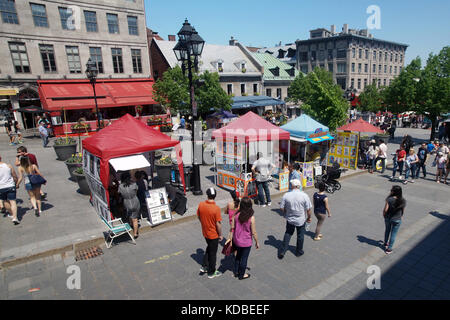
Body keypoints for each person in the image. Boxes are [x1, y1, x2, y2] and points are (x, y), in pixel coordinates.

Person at [278, 179, 312, 259]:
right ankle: (298, 251)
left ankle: (283, 250)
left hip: (290, 219)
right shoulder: (304, 196)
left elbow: (281, 208)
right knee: (300, 235)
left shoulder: (286, 195)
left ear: (293, 186)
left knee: (288, 233)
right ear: (299, 186)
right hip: (300, 219)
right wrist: (309, 218)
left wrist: (286, 213)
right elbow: (308, 210)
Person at [227, 197, 260, 280]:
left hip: (237, 240)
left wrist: (230, 238)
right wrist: (257, 242)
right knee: (244, 258)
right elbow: (254, 232)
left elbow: (232, 228)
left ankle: (236, 272)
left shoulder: (236, 215)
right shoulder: (251, 218)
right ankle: (241, 275)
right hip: (246, 242)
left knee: (238, 256)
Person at [197, 187, 222, 279]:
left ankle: (204, 265)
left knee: (209, 248)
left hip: (205, 232)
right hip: (213, 234)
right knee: (213, 254)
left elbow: (199, 216)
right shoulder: (216, 209)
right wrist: (220, 235)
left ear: (207, 195)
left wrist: (204, 224)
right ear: (215, 196)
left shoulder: (201, 205)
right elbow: (218, 224)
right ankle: (211, 272)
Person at [383, 185, 406, 254]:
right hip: (397, 219)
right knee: (393, 234)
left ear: (393, 192)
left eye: (391, 190)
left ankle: (385, 243)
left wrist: (384, 215)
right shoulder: (403, 200)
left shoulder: (389, 199)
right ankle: (389, 249)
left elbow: (385, 210)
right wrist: (401, 216)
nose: (390, 190)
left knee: (387, 230)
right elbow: (403, 211)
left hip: (388, 218)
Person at [118, 171, 140, 238]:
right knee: (135, 219)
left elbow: (119, 193)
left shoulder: (120, 186)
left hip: (127, 202)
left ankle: (131, 224)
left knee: (130, 214)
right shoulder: (134, 184)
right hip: (135, 201)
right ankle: (135, 233)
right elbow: (136, 191)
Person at [0, 155, 19, 224]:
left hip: (1, 187)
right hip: (10, 185)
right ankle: (15, 217)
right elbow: (14, 176)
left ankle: (11, 214)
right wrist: (16, 183)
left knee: (5, 201)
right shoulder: (8, 166)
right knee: (13, 201)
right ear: (1, 158)